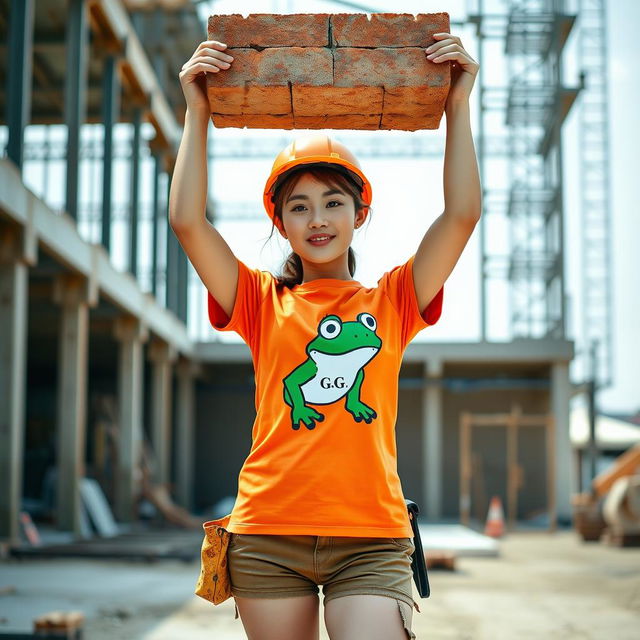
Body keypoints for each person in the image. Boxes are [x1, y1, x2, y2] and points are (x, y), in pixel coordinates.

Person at [171, 31, 480, 640]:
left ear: (359, 213)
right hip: (268, 530)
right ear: (281, 223)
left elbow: (462, 215)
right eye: (300, 207)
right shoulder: (259, 301)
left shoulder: (392, 300)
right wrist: (196, 109)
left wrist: (458, 104)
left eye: (333, 202)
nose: (318, 219)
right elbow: (186, 220)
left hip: (371, 535)